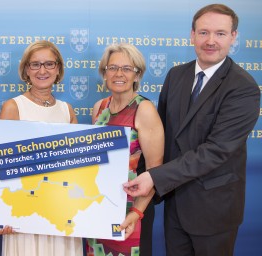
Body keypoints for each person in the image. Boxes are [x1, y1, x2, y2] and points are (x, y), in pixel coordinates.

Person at [123, 4, 260, 256]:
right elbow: (161, 137)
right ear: (192, 35)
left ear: (233, 37)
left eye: (220, 33)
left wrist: (155, 178)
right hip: (175, 204)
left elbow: (216, 151)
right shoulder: (176, 75)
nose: (210, 41)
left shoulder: (243, 88)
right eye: (203, 32)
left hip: (214, 210)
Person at [0, 40, 81, 256]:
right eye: (35, 64)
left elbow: (78, 168)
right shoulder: (13, 107)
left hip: (62, 215)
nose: (42, 70)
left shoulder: (67, 110)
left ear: (58, 69)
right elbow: (1, 166)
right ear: (26, 70)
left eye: (49, 64)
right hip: (24, 216)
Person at [85, 43, 164, 256]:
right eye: (112, 68)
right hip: (99, 207)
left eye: (127, 69)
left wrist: (137, 213)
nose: (119, 74)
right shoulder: (99, 107)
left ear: (137, 75)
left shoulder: (144, 109)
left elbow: (155, 171)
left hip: (131, 211)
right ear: (104, 73)